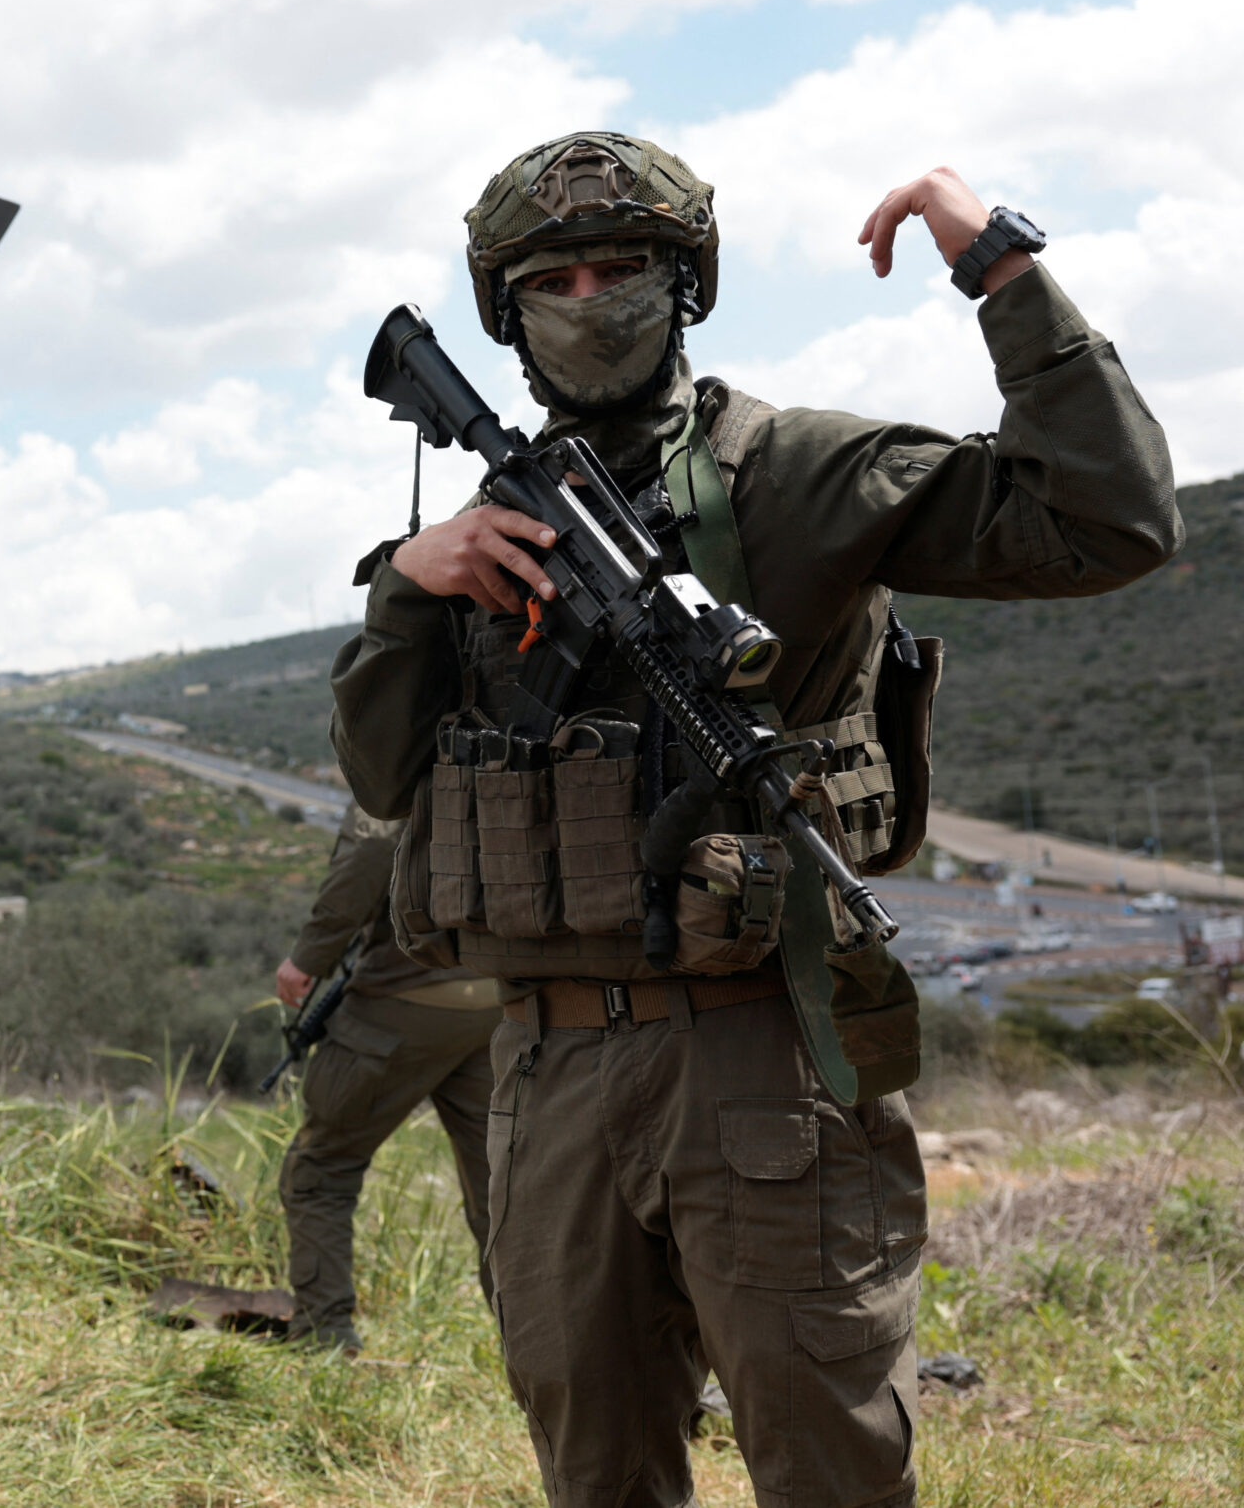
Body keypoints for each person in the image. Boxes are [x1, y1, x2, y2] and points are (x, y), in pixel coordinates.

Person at [329, 133, 1178, 1508]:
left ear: (688, 287)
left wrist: (1000, 264)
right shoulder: (483, 527)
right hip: (547, 1073)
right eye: (558, 276)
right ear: (508, 313)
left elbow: (1112, 518)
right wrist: (410, 589)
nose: (593, 298)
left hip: (761, 1055)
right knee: (594, 1472)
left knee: (829, 1467)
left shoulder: (795, 472)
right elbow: (382, 774)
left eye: (628, 271)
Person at [273, 801, 502, 1352]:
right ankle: (547, 1352)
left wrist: (309, 956)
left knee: (322, 1165)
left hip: (398, 1005)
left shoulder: (402, 742)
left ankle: (324, 1336)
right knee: (504, 1194)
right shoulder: (511, 725)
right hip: (498, 1003)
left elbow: (371, 847)